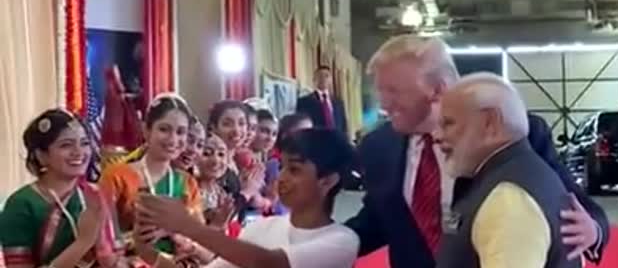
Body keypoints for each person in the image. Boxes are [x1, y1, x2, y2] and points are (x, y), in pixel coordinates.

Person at [346, 35, 609, 267]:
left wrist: (594, 231)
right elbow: (378, 220)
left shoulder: (516, 133)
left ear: (438, 89)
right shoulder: (378, 147)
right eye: (380, 90)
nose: (382, 103)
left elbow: (573, 206)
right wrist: (320, 248)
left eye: (393, 90)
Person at [134, 128, 360, 268]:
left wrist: (186, 225)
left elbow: (269, 263)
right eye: (282, 167)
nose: (281, 178)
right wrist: (149, 254)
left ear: (327, 181)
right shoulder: (260, 228)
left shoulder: (342, 240)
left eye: (295, 170)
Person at [434, 73, 581, 268]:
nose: (437, 135)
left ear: (490, 122)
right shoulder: (524, 175)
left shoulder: (509, 198)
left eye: (449, 123)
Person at [0, 109, 125, 268]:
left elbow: (115, 260)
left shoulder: (97, 195)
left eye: (85, 143)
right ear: (41, 155)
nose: (79, 152)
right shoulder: (21, 204)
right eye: (66, 145)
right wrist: (83, 242)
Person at [99, 94, 203, 263]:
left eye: (181, 132)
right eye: (164, 129)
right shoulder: (117, 177)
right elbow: (103, 243)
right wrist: (136, 239)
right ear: (146, 130)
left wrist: (175, 233)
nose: (173, 139)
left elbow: (202, 244)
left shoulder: (187, 183)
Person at [296, 66, 348, 134]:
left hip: (336, 141)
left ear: (331, 80)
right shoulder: (304, 102)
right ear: (314, 79)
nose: (323, 79)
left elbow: (343, 125)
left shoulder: (338, 102)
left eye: (326, 76)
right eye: (320, 76)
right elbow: (301, 125)